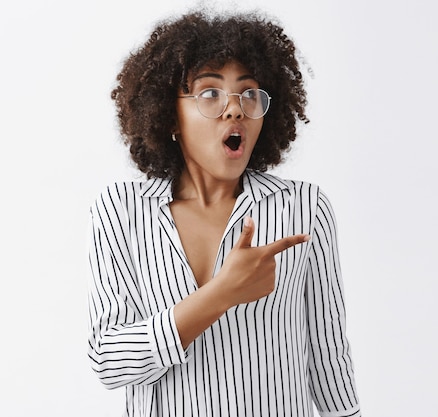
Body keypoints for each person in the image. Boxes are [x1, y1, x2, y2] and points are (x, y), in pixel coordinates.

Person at [86, 7, 361, 417]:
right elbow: (110, 360)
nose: (235, 109)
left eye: (249, 94)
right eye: (210, 93)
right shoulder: (122, 210)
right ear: (169, 116)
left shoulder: (303, 208)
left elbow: (329, 361)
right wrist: (220, 294)